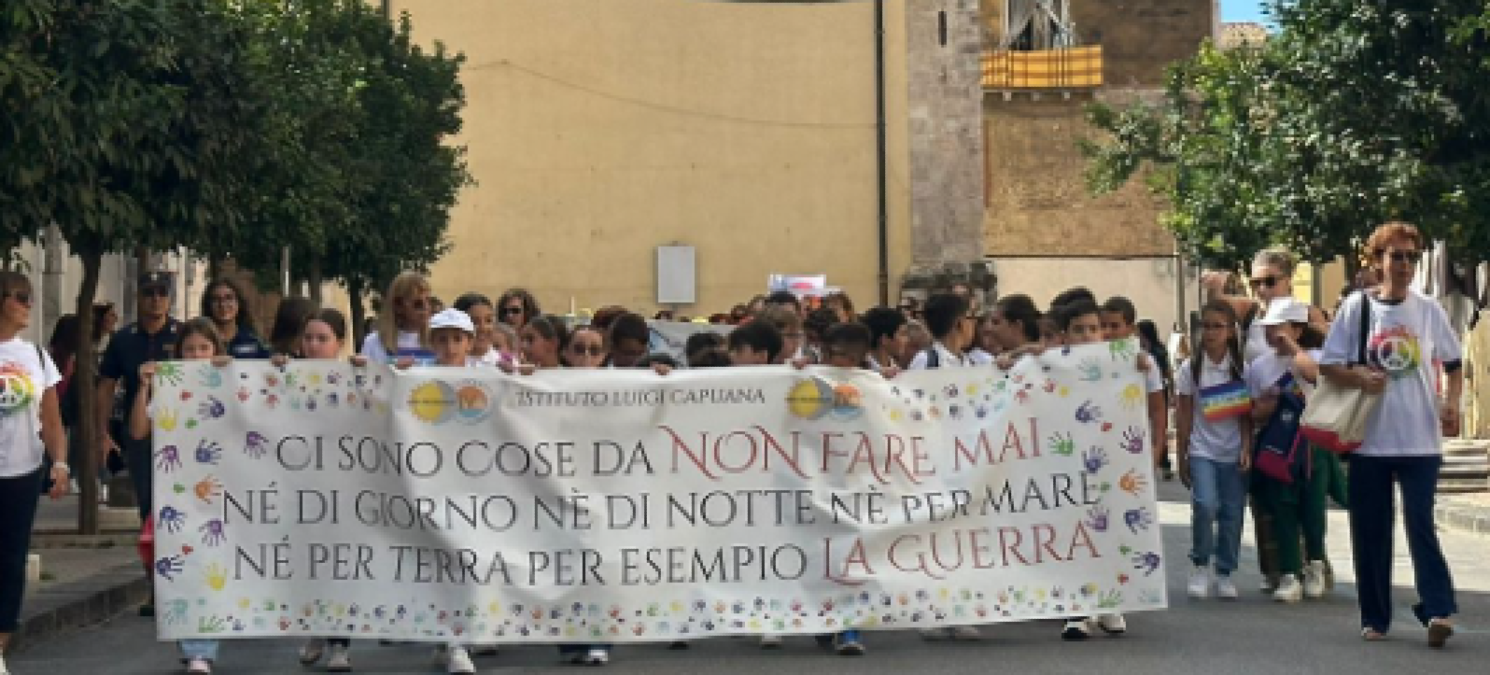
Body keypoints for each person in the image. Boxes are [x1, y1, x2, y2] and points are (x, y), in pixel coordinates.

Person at [1319, 222, 1462, 647]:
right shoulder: (1357, 309)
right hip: (1369, 440)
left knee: (1421, 523)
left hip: (1419, 439)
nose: (1404, 265)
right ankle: (1375, 617)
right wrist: (1358, 376)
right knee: (1372, 531)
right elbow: (1329, 365)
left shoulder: (1428, 309)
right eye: (1396, 256)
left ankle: (1437, 609)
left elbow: (1454, 365)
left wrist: (1453, 403)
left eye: (1411, 257)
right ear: (1377, 260)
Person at [129, 318, 228, 674]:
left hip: (221, 496)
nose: (197, 356)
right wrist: (146, 388)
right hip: (179, 495)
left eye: (204, 348)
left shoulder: (231, 385)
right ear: (179, 355)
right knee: (186, 568)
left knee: (211, 570)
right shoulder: (170, 389)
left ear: (216, 351)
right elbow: (140, 430)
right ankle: (196, 648)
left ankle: (202, 646)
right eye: (190, 350)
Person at [1245, 297, 1340, 604]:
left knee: (1313, 510)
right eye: (1268, 328)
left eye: (1279, 328)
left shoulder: (1316, 355)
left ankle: (1315, 565)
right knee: (1282, 508)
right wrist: (1269, 404)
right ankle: (1289, 573)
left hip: (1314, 445)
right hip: (1279, 445)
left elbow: (1316, 378)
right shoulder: (1259, 366)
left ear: (1297, 329)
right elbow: (1254, 412)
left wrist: (1294, 352)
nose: (1272, 334)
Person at [0, 271, 69, 675]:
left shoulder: (36, 356)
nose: (28, 305)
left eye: (30, 298)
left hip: (21, 471)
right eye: (21, 297)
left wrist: (59, 462)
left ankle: (1, 647)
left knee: (10, 562)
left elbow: (52, 421)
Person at [1050, 295, 1130, 641]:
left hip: (1110, 463)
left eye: (1093, 329)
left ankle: (1109, 602)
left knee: (1109, 529)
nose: (1087, 336)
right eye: (1078, 330)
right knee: (1074, 533)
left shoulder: (1122, 364)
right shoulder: (1051, 365)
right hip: (1068, 465)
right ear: (1065, 336)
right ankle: (1076, 610)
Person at [292, 308, 362, 672]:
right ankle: (316, 627)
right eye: (309, 338)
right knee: (310, 563)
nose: (314, 346)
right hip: (302, 487)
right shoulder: (283, 377)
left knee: (340, 566)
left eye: (322, 339)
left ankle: (340, 643)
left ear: (338, 343)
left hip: (344, 488)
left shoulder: (354, 376)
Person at [1176, 300, 1252, 601]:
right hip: (1201, 449)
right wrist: (1181, 453)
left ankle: (1225, 571)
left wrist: (1247, 446)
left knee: (1232, 513)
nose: (1210, 333)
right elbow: (1182, 414)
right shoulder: (1190, 369)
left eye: (1217, 327)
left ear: (1231, 332)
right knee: (1205, 506)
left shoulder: (1241, 369)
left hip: (1232, 450)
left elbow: (1247, 415)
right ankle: (1200, 564)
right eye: (1205, 326)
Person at [96, 273, 180, 523]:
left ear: (169, 298)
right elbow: (106, 386)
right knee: (146, 499)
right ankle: (151, 555)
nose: (155, 299)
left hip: (178, 427)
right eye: (149, 293)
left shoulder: (183, 334)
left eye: (161, 293)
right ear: (138, 297)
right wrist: (102, 432)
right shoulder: (123, 339)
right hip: (139, 429)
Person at [1101, 297, 1171, 477]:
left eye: (1115, 326)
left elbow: (1157, 409)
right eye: (1103, 325)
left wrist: (1157, 450)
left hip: (1132, 447)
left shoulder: (1145, 362)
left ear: (1130, 329)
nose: (1107, 331)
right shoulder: (1089, 360)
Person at [361, 273, 435, 365]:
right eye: (418, 303)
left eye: (429, 301)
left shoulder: (438, 340)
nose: (426, 308)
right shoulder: (374, 342)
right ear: (398, 306)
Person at [200, 278, 269, 359]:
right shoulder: (199, 340)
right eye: (216, 299)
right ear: (208, 305)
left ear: (239, 303)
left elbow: (272, 365)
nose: (222, 305)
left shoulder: (253, 341)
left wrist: (279, 361)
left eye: (229, 298)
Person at [908, 293, 974, 371]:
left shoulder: (969, 362)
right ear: (959, 323)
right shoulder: (926, 360)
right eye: (970, 318)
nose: (973, 324)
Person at [454, 293, 501, 367]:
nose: (483, 328)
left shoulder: (506, 364)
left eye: (488, 320)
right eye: (474, 322)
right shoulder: (444, 365)